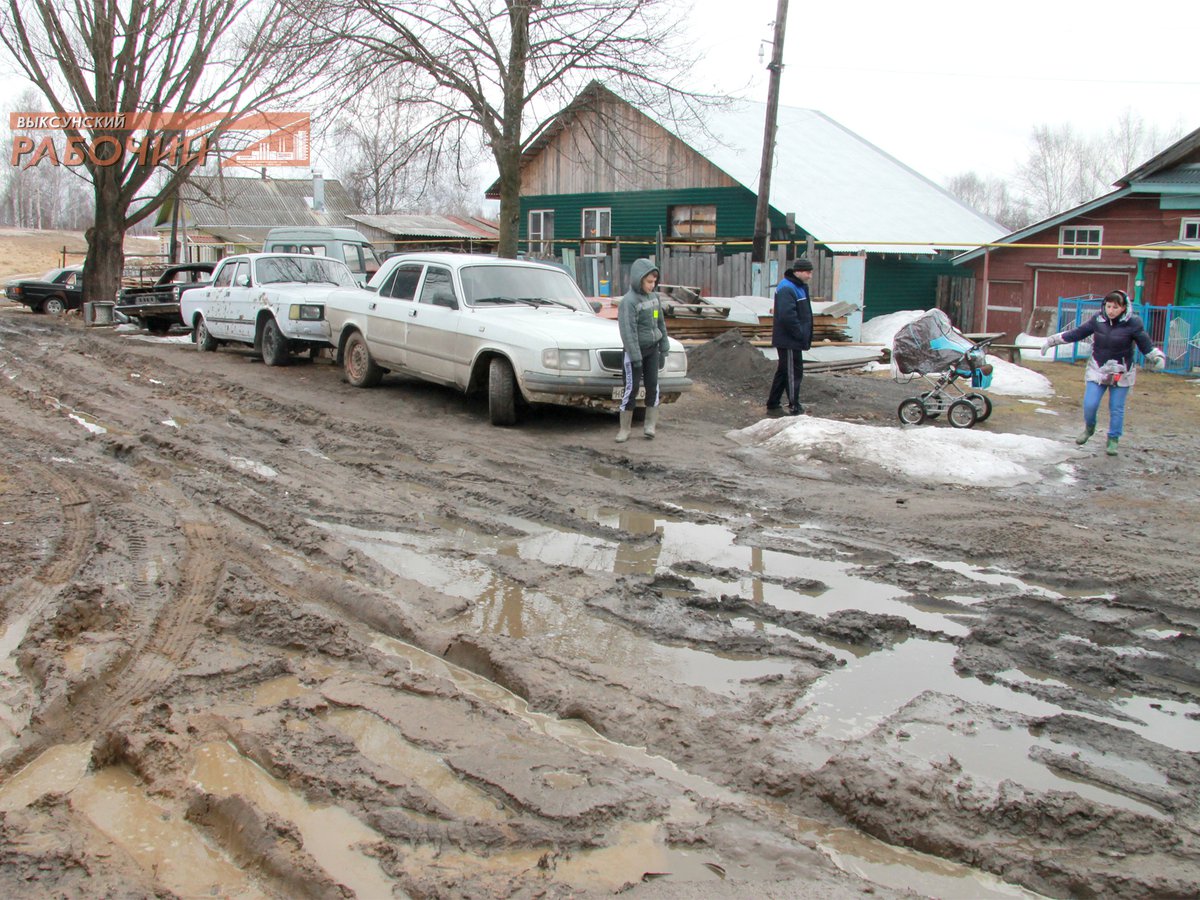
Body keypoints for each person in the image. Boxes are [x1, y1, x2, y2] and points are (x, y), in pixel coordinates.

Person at [1042, 289, 1166, 456]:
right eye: (1108, 306)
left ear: (1123, 308)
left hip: (1122, 372)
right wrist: (1052, 341)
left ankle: (1113, 439)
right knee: (1090, 404)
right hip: (1098, 370)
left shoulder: (1133, 323)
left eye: (1115, 307)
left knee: (1116, 408)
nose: (1111, 311)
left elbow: (1145, 345)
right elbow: (1076, 333)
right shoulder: (1097, 320)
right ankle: (1089, 428)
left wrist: (1156, 357)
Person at [616, 258, 671, 442]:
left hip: (652, 350)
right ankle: (625, 428)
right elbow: (628, 332)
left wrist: (663, 345)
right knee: (631, 389)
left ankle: (650, 425)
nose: (652, 285)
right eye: (649, 282)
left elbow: (659, 322)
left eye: (654, 281)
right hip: (634, 353)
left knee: (653, 386)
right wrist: (635, 356)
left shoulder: (654, 299)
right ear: (639, 280)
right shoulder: (628, 302)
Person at [766, 258, 814, 416]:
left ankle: (773, 402)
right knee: (794, 372)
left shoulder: (797, 286)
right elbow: (788, 316)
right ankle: (795, 406)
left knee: (784, 370)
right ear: (798, 271)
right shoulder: (788, 288)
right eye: (808, 272)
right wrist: (799, 333)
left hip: (791, 338)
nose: (810, 276)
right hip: (789, 339)